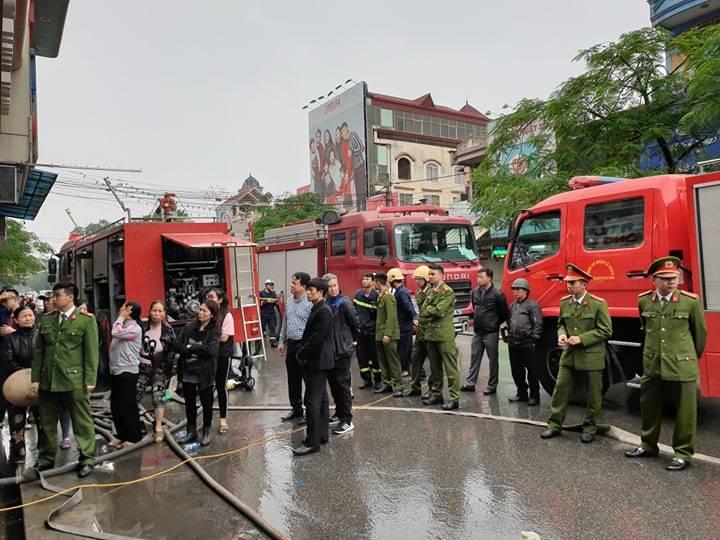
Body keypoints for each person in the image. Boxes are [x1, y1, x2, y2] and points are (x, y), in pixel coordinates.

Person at [625, 256, 707, 471]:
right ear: (654, 280)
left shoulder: (690, 301)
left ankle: (683, 453)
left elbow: (700, 336)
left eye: (674, 277)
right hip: (653, 365)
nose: (672, 281)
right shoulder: (644, 301)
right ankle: (648, 445)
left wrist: (687, 357)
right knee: (649, 408)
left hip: (681, 365)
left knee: (685, 412)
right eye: (666, 278)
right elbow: (646, 329)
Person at [32, 282, 99, 478]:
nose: (54, 299)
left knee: (82, 421)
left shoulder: (86, 321)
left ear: (70, 297)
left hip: (74, 379)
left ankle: (87, 458)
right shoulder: (46, 320)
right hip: (48, 380)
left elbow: (91, 353)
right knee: (47, 421)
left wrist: (90, 379)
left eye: (58, 295)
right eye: (54, 295)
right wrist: (36, 377)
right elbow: (39, 351)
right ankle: (45, 459)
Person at [541, 264, 612, 443]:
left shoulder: (598, 304)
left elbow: (606, 330)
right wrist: (562, 334)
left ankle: (590, 427)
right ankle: (554, 424)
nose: (569, 286)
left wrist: (581, 338)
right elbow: (560, 324)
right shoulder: (565, 302)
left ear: (584, 284)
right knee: (560, 390)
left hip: (591, 355)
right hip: (570, 355)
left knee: (593, 394)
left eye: (573, 283)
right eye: (568, 283)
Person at [293, 278, 334, 456]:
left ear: (321, 292)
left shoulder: (324, 311)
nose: (308, 292)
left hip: (318, 361)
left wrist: (301, 353)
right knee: (322, 399)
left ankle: (312, 442)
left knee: (312, 401)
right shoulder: (317, 308)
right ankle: (322, 435)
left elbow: (316, 339)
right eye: (308, 289)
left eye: (312, 290)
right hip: (319, 360)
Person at [1, 305, 45, 464]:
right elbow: (7, 360)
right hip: (16, 384)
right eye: (24, 316)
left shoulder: (41, 336)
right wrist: (24, 375)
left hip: (39, 382)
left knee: (43, 419)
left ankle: (44, 450)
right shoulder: (10, 339)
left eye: (30, 315)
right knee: (17, 420)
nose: (28, 318)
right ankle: (18, 450)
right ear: (16, 320)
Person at [174, 300, 221, 447]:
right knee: (189, 404)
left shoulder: (214, 330)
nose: (200, 313)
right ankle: (191, 431)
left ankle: (206, 431)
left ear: (212, 315)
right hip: (188, 371)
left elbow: (211, 350)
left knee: (206, 403)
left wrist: (191, 347)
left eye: (204, 311)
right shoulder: (189, 327)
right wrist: (194, 348)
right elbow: (177, 345)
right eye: (200, 309)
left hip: (204, 373)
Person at [462, 268, 509, 395]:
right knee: (474, 357)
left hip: (491, 333)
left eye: (481, 277)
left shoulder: (498, 294)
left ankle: (492, 385)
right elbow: (475, 308)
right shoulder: (475, 292)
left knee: (492, 360)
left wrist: (494, 324)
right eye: (478, 277)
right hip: (477, 332)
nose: (479, 279)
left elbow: (504, 313)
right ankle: (470, 382)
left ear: (489, 278)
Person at [322, 273, 358, 435]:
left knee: (342, 385)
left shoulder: (344, 303)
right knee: (334, 384)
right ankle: (339, 413)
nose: (333, 289)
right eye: (329, 286)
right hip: (331, 351)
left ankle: (347, 419)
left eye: (335, 285)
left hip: (343, 350)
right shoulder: (325, 303)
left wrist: (354, 341)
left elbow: (355, 322)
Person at [421, 265, 460, 410]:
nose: (430, 276)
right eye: (429, 274)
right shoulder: (430, 291)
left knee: (450, 369)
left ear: (441, 275)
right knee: (435, 369)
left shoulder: (447, 292)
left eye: (433, 274)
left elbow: (438, 311)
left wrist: (430, 310)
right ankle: (437, 394)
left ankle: (454, 398)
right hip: (431, 334)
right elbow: (423, 310)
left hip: (444, 335)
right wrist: (430, 310)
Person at [139, 300, 177, 443]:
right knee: (135, 395)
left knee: (158, 397)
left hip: (159, 368)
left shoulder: (168, 330)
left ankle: (158, 426)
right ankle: (137, 424)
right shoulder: (141, 327)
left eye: (160, 311)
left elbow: (172, 351)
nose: (157, 313)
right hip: (142, 367)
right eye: (154, 310)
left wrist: (168, 369)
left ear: (164, 314)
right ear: (149, 312)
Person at [278, 272, 313, 423]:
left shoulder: (310, 303)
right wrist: (281, 341)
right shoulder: (290, 301)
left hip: (304, 346)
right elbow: (285, 322)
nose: (291, 286)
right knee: (293, 379)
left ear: (304, 286)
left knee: (308, 379)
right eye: (291, 283)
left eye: (294, 283)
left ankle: (309, 411)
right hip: (291, 345)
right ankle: (296, 408)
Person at [108, 301, 144, 448]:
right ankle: (121, 435)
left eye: (123, 307)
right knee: (116, 405)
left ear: (129, 311)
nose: (120, 309)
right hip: (116, 369)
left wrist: (121, 317)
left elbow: (115, 332)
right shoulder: (123, 325)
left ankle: (133, 436)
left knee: (128, 405)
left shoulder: (135, 329)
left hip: (127, 371)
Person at [506, 278, 543, 406]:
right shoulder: (512, 305)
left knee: (532, 371)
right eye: (514, 290)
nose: (515, 292)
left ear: (526, 291)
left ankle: (534, 396)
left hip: (527, 343)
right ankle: (521, 393)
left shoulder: (532, 305)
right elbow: (509, 321)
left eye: (518, 289)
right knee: (516, 371)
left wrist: (533, 339)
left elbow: (538, 323)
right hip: (513, 343)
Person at [207, 288, 234, 434]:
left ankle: (223, 419)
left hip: (222, 355)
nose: (209, 299)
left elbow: (224, 337)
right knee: (207, 387)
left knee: (220, 386)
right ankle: (208, 419)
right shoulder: (206, 314)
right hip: (208, 356)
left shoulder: (226, 315)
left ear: (220, 300)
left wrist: (207, 341)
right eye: (207, 297)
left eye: (212, 297)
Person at [404, 265, 432, 397]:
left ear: (426, 279)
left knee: (434, 362)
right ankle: (415, 386)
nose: (417, 282)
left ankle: (433, 389)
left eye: (419, 279)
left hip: (431, 331)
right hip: (421, 330)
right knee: (415, 358)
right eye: (416, 279)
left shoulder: (432, 293)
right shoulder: (418, 292)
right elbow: (418, 310)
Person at [373, 273, 403, 397]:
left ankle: (398, 385)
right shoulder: (381, 296)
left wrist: (388, 334)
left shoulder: (388, 297)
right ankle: (387, 383)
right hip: (380, 334)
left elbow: (391, 318)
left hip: (388, 335)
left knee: (393, 361)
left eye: (374, 282)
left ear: (378, 282)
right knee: (383, 361)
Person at [353, 273, 381, 389]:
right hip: (361, 332)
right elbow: (354, 311)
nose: (364, 281)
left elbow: (378, 316)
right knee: (362, 357)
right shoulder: (358, 294)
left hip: (372, 332)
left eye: (367, 279)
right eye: (363, 278)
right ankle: (366, 379)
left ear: (373, 281)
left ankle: (378, 380)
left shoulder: (376, 296)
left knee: (374, 357)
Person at [388, 268, 416, 376]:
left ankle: (407, 370)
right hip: (406, 325)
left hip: (404, 326)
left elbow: (408, 308)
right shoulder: (402, 291)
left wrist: (412, 318)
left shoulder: (400, 293)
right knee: (407, 349)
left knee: (405, 350)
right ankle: (409, 370)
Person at [0, 287, 20, 427]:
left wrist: (14, 331)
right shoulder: (2, 314)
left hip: (20, 362)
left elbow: (32, 331)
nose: (7, 302)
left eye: (10, 298)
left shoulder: (24, 312)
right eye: (4, 299)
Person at [259, 279, 279, 347]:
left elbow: (276, 302)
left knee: (272, 328)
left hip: (271, 313)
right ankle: (259, 343)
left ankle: (273, 342)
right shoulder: (261, 293)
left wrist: (275, 302)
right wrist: (267, 301)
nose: (271, 286)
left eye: (272, 285)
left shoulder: (273, 293)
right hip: (263, 314)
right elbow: (260, 303)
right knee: (261, 328)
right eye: (269, 284)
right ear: (266, 285)